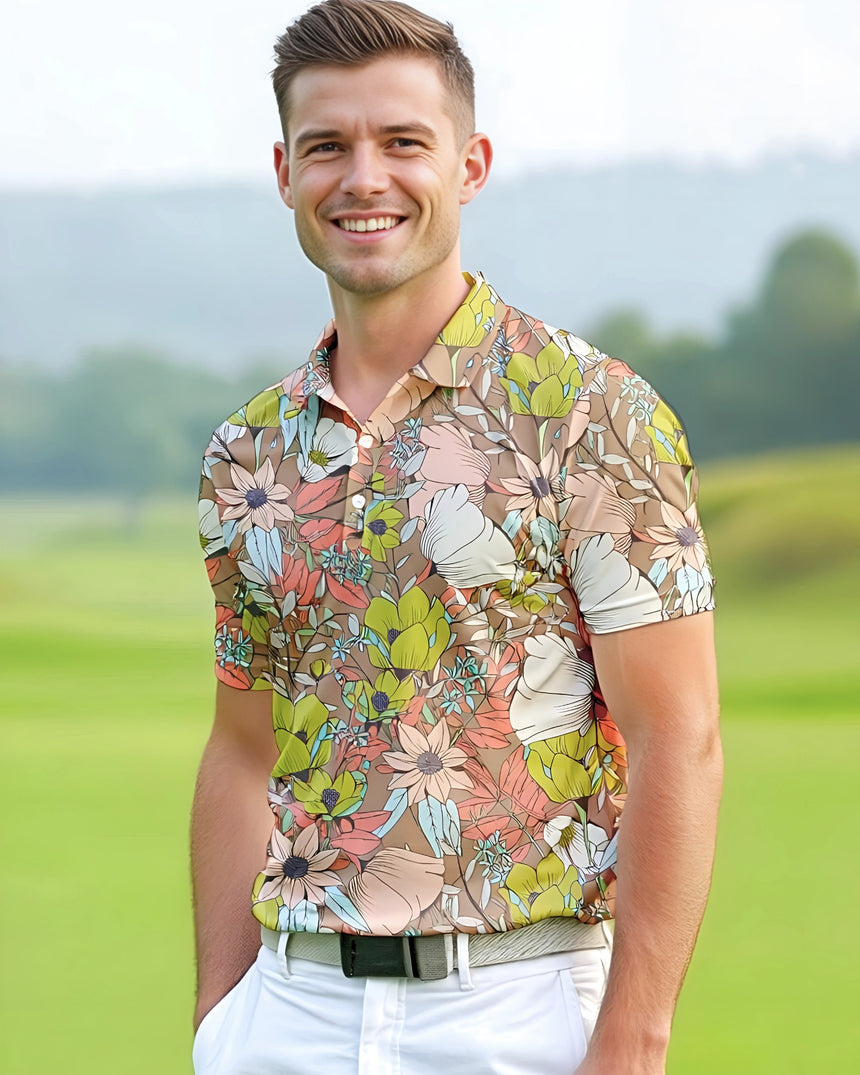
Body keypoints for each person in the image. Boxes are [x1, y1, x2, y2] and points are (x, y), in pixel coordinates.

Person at [191, 2, 723, 1072]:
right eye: (326, 146)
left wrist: (631, 1039)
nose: (363, 177)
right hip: (286, 1017)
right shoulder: (248, 453)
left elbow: (680, 738)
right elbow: (244, 747)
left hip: (514, 1010)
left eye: (402, 142)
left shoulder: (585, 410)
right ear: (284, 171)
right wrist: (219, 1014)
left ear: (469, 164)